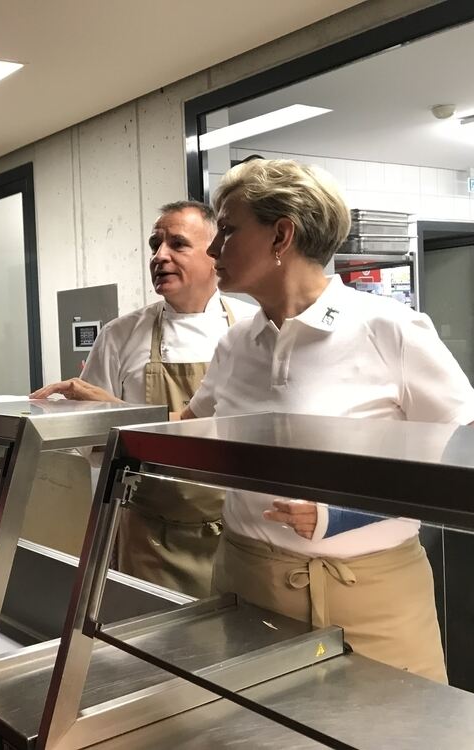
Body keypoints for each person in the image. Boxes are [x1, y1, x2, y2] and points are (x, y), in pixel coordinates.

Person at [182, 158, 474, 682]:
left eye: (227, 229)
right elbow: (188, 433)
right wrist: (108, 414)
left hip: (374, 600)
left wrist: (343, 513)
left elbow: (463, 452)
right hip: (245, 588)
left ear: (282, 235)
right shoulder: (235, 343)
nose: (212, 248)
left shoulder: (391, 329)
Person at [30, 202, 256, 597]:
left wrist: (120, 414)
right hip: (149, 533)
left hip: (239, 529)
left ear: (214, 250)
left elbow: (254, 431)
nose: (159, 256)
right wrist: (91, 421)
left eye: (177, 244)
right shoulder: (120, 336)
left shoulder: (252, 330)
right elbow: (90, 439)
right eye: (155, 244)